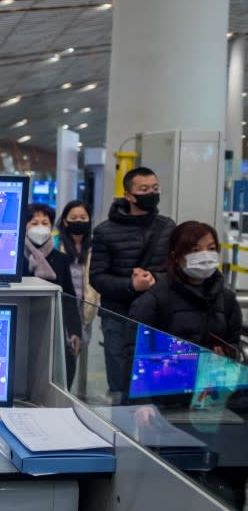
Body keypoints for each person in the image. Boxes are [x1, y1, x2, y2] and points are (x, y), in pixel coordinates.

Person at [90, 167, 175, 400]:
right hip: (118, 317)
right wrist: (131, 285)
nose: (151, 194)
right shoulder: (104, 232)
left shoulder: (168, 228)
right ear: (128, 195)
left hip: (158, 318)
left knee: (157, 384)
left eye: (155, 189)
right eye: (144, 189)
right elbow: (97, 277)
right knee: (120, 386)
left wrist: (155, 279)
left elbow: (176, 270)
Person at [130, 221, 241, 355]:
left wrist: (230, 354)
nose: (205, 256)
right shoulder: (155, 299)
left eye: (211, 248)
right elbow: (135, 349)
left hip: (211, 374)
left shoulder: (227, 299)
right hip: (168, 374)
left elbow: (234, 344)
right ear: (175, 257)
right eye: (195, 250)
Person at [23, 203, 82, 387]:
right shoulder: (16, 258)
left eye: (45, 222)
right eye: (34, 223)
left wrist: (74, 331)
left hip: (55, 327)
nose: (40, 227)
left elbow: (69, 297)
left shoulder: (61, 259)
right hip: (24, 323)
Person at [56, 200, 100, 357]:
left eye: (83, 217)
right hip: (61, 310)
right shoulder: (56, 244)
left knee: (76, 354)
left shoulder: (95, 247)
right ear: (65, 221)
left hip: (85, 311)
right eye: (73, 218)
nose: (79, 221)